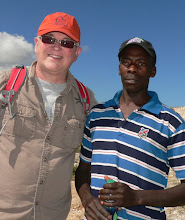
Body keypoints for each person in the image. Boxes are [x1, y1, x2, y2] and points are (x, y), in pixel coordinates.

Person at [75, 37, 185, 220]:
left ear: (153, 71)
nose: (132, 68)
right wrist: (87, 201)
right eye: (126, 62)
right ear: (119, 68)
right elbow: (82, 171)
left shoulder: (170, 122)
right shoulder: (97, 116)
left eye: (141, 63)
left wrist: (136, 197)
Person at [0, 12, 97, 220]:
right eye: (49, 39)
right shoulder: (5, 83)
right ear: (36, 43)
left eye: (66, 42)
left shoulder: (86, 100)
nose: (56, 46)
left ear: (77, 52)